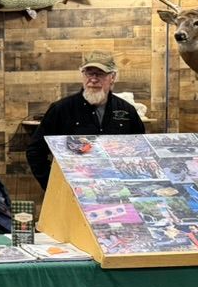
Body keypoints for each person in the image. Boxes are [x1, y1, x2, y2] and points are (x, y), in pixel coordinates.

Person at [26, 50, 146, 189]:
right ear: (83, 75)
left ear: (112, 77)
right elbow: (35, 151)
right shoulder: (61, 109)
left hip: (118, 189)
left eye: (100, 74)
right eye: (89, 73)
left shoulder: (127, 111)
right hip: (73, 191)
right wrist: (53, 185)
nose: (93, 79)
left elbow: (141, 151)